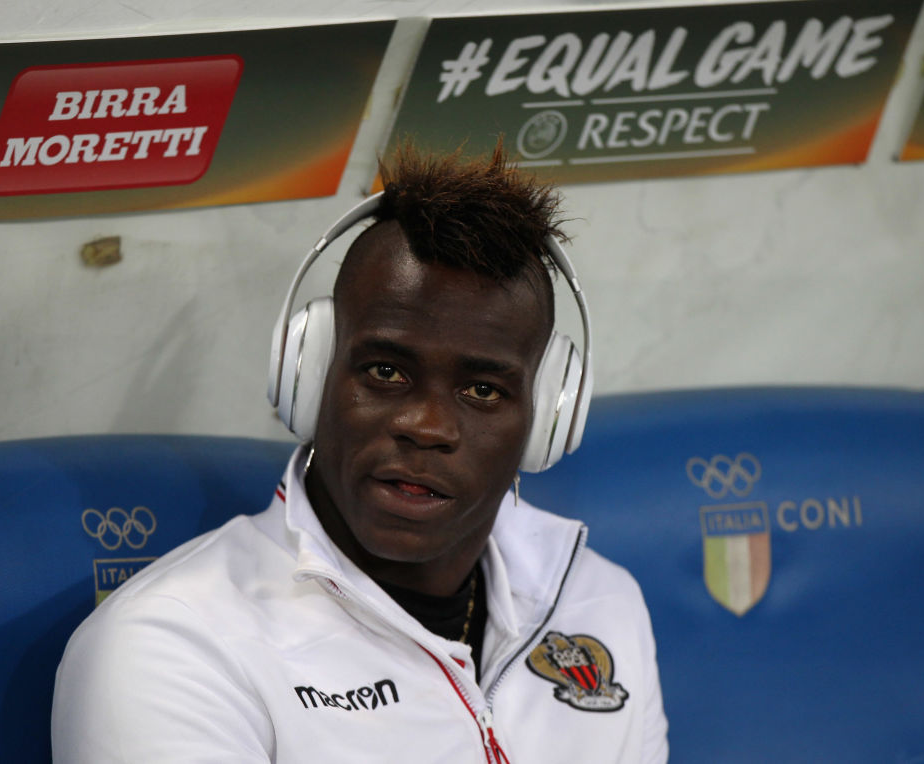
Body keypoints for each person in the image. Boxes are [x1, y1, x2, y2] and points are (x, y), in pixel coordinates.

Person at [52, 141, 668, 762]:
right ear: (310, 373)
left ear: (546, 420)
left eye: (483, 390)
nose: (426, 427)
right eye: (385, 371)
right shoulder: (176, 647)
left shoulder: (598, 599)